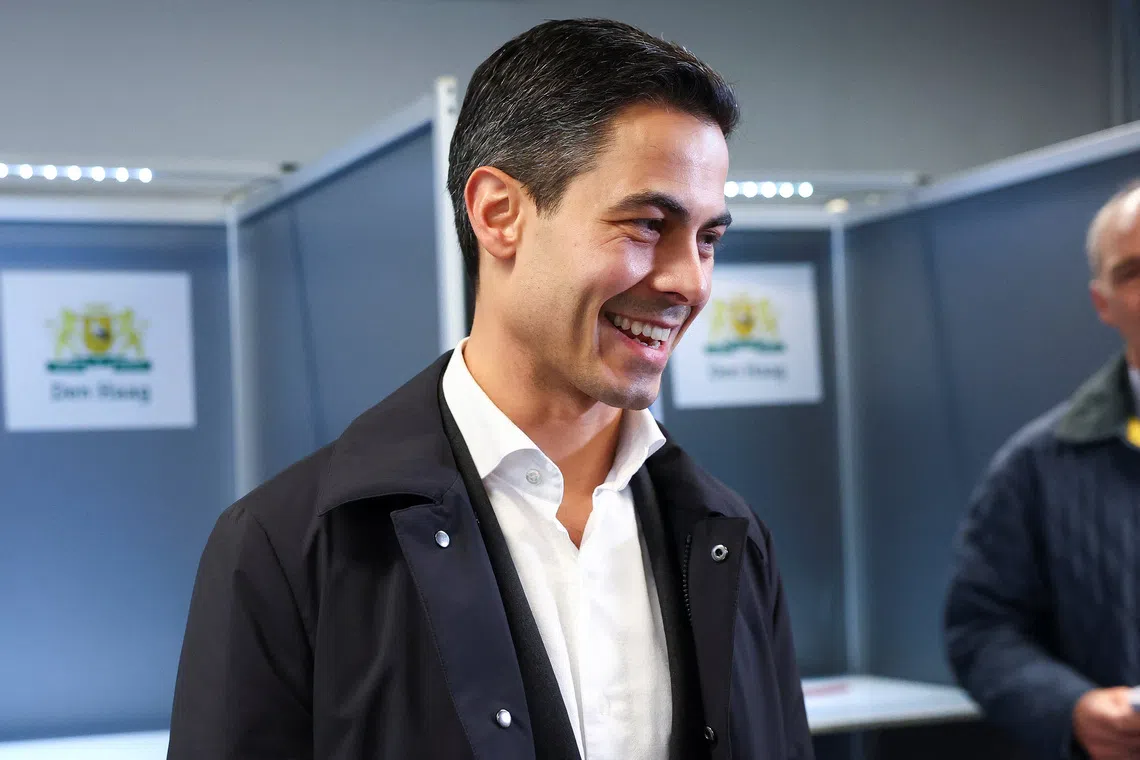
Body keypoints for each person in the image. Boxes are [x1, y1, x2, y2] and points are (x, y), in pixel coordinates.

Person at [167, 18, 813, 760]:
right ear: (499, 214)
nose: (690, 282)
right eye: (646, 225)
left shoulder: (731, 537)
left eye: (708, 239)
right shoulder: (289, 549)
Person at [944, 181, 1140, 760]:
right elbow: (980, 630)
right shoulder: (1038, 467)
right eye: (1134, 272)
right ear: (1103, 302)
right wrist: (1070, 708)